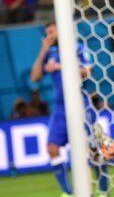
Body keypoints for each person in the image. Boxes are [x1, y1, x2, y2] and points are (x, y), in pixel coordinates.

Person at [29, 22, 108, 197]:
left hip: (81, 103)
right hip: (60, 107)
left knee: (94, 148)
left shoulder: (77, 48)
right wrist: (43, 50)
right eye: (47, 33)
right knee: (52, 148)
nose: (49, 35)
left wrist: (60, 67)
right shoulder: (50, 53)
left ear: (61, 30)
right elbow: (34, 77)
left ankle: (103, 192)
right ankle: (68, 193)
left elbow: (88, 70)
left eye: (52, 31)